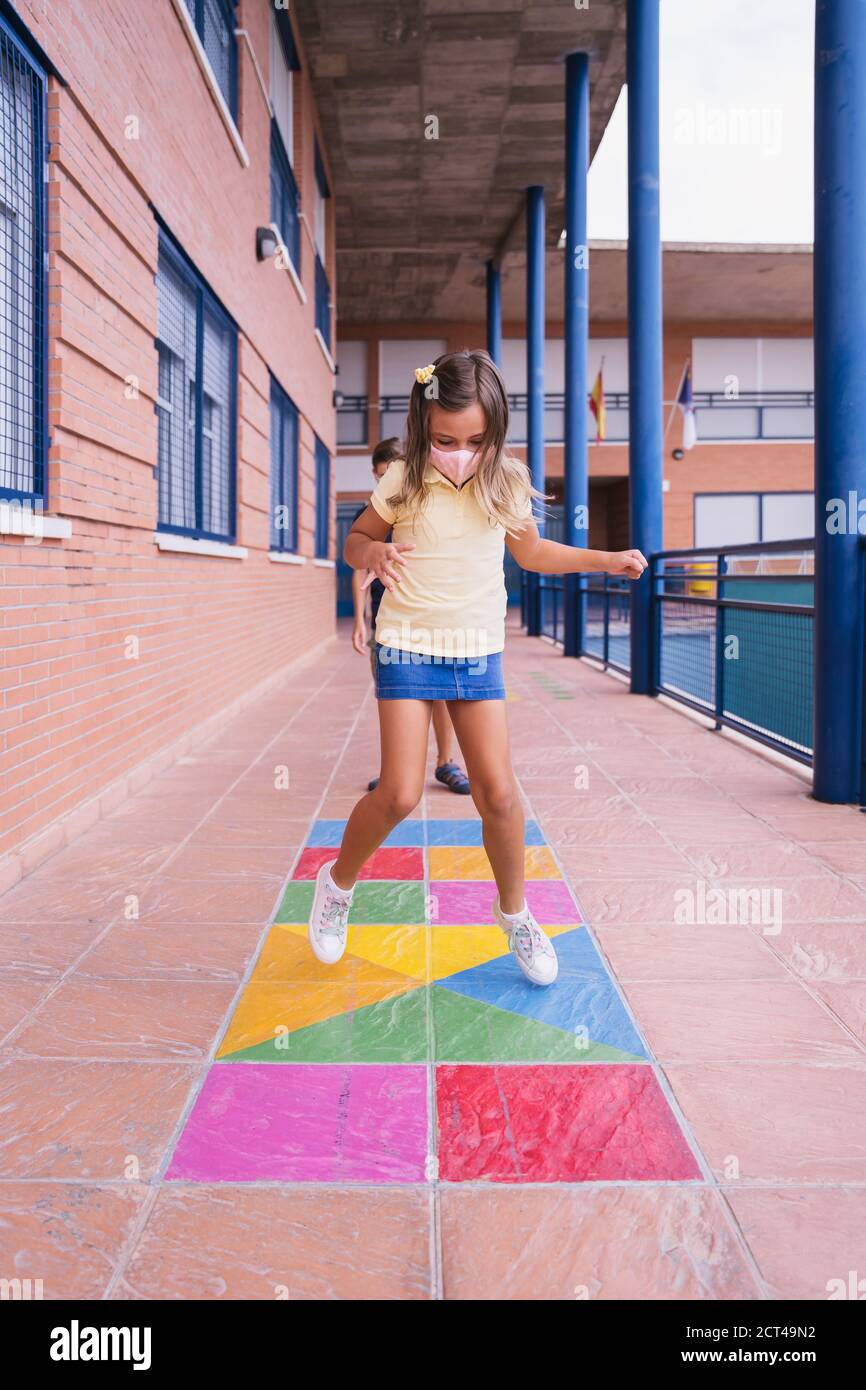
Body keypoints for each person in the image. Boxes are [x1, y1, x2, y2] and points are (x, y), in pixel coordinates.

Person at [311, 349, 647, 986]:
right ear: (422, 426)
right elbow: (353, 541)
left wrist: (605, 560)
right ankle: (337, 884)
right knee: (400, 794)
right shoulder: (404, 479)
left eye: (474, 439)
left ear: (495, 430)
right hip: (408, 642)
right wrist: (374, 550)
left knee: (499, 794)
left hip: (476, 648)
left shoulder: (506, 480)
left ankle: (514, 912)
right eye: (444, 439)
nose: (459, 451)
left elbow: (535, 552)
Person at [351, 437, 470, 795]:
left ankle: (445, 762)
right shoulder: (373, 511)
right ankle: (397, 773)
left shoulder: (425, 504)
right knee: (395, 696)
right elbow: (358, 566)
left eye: (393, 471)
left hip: (433, 617)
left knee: (443, 696)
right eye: (380, 474)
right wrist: (359, 620)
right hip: (390, 623)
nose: (387, 478)